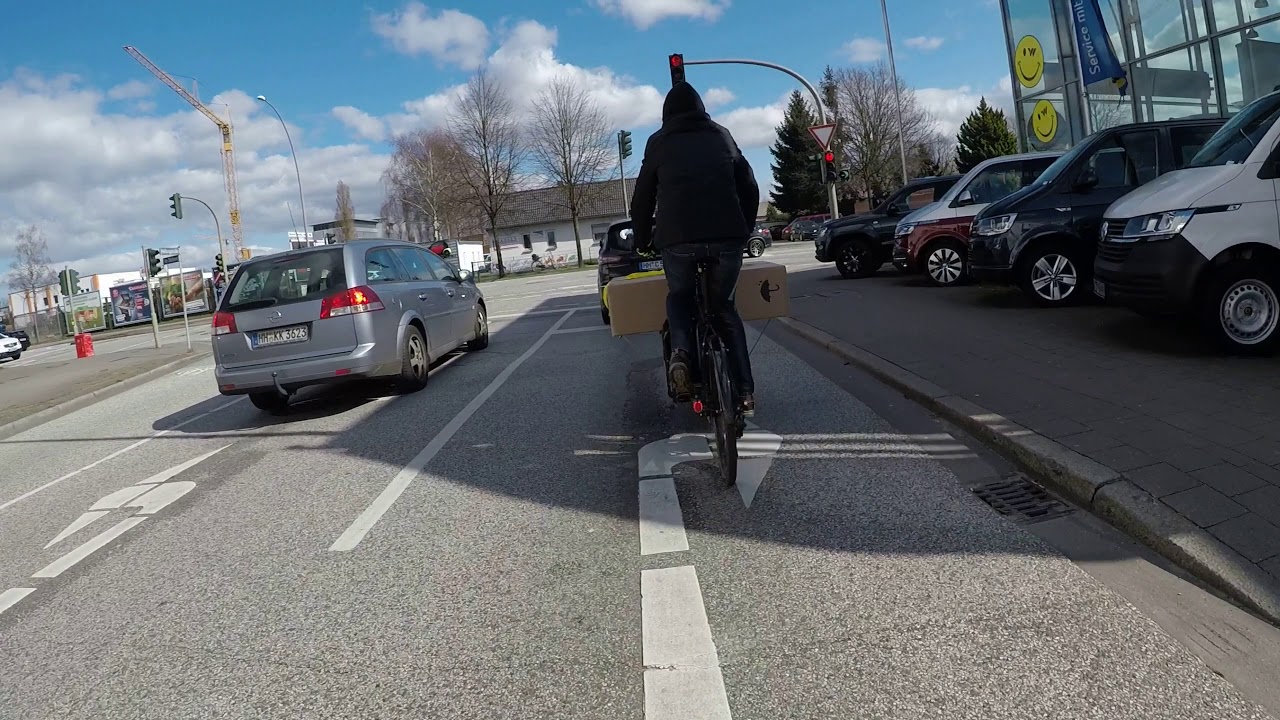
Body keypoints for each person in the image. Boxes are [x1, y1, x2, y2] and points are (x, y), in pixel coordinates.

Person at [630, 81, 759, 416]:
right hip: (726, 236)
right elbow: (749, 184)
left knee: (679, 298)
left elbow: (642, 197)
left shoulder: (658, 142)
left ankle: (682, 355)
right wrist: (744, 228)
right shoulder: (721, 135)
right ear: (701, 107)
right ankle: (745, 393)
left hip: (678, 239)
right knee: (725, 311)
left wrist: (643, 238)